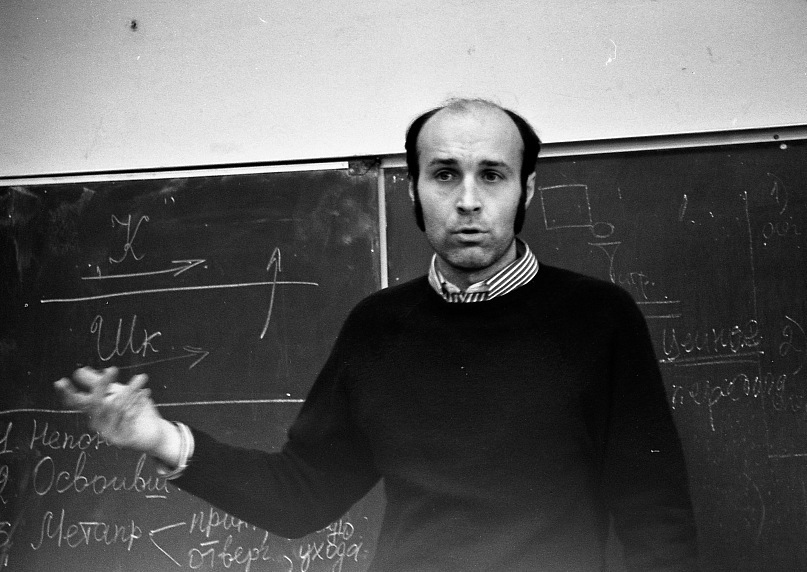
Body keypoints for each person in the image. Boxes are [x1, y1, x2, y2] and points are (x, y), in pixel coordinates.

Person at [56, 98, 699, 571]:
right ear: (414, 188)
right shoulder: (378, 327)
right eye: (444, 174)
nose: (468, 200)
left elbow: (655, 517)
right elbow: (301, 495)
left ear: (525, 188)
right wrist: (157, 438)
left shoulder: (597, 317)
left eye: (492, 175)